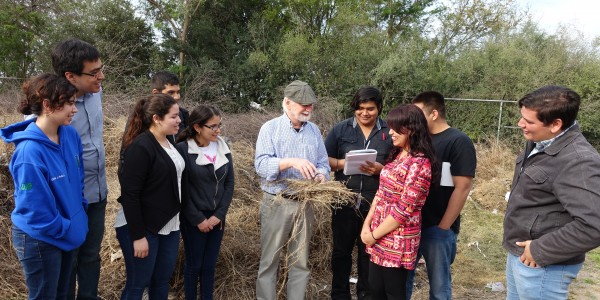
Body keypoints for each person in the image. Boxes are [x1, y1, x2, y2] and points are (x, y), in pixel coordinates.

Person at [503, 85, 600, 299]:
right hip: (521, 254)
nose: (521, 124)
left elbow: (594, 225)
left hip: (543, 265)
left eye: (529, 122)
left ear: (556, 124)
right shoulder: (540, 143)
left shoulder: (578, 161)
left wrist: (539, 249)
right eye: (522, 118)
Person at [1, 73, 88, 299]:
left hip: (66, 229)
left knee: (63, 294)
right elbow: (36, 209)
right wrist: (67, 228)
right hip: (40, 238)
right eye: (69, 103)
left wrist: (80, 214)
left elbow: (78, 179)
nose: (75, 109)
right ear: (48, 105)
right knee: (45, 295)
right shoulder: (29, 152)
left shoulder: (69, 134)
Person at [255, 80, 331, 300]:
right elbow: (261, 166)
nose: (307, 109)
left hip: (305, 202)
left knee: (300, 261)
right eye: (302, 104)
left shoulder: (314, 131)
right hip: (277, 201)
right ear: (287, 103)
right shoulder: (270, 128)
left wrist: (321, 176)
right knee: (270, 260)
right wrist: (289, 162)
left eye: (311, 105)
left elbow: (324, 165)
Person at [51, 38, 109, 300]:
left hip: (97, 192)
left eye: (101, 68)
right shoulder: (50, 107)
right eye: (94, 72)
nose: (101, 76)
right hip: (68, 199)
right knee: (68, 258)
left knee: (90, 255)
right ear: (70, 76)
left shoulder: (96, 93)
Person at [360, 104, 437, 300]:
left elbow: (404, 210)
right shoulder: (397, 154)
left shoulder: (420, 164)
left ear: (411, 129)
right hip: (379, 234)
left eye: (396, 128)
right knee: (375, 290)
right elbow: (381, 192)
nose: (391, 133)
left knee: (393, 293)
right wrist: (366, 225)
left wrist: (374, 235)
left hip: (397, 239)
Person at [324, 86, 393, 300]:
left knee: (368, 254)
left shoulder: (389, 132)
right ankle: (340, 295)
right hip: (344, 200)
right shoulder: (340, 130)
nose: (365, 113)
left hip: (375, 204)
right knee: (341, 253)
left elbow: (401, 165)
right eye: (360, 108)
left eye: (370, 109)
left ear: (379, 108)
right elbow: (324, 161)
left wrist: (382, 169)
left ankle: (366, 295)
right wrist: (344, 163)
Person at [406, 91, 476, 300]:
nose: (414, 120)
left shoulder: (458, 141)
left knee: (439, 287)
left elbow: (462, 187)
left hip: (437, 227)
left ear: (434, 113)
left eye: (418, 114)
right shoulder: (416, 140)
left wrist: (444, 226)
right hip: (410, 225)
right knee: (403, 282)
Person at [115, 94, 184, 299]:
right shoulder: (141, 146)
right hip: (144, 227)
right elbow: (130, 194)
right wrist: (138, 237)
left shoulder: (169, 141)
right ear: (156, 118)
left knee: (161, 281)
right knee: (138, 284)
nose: (179, 120)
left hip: (170, 224)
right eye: (174, 116)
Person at [175, 105, 234, 300]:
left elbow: (229, 183)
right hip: (194, 219)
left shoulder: (223, 147)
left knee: (209, 265)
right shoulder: (183, 149)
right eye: (213, 126)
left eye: (220, 125)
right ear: (198, 127)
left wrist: (219, 215)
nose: (218, 130)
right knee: (194, 265)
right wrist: (198, 218)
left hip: (217, 218)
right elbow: (181, 189)